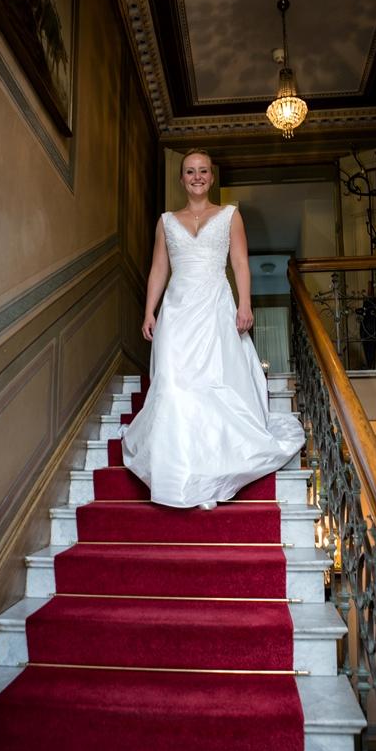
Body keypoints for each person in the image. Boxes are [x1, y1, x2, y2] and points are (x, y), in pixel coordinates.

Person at [121, 149, 304, 509]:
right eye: (190, 171)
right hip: (177, 310)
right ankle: (175, 470)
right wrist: (149, 311)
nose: (197, 177)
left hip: (215, 308)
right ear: (181, 179)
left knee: (211, 384)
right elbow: (159, 268)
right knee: (173, 382)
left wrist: (245, 303)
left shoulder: (230, 216)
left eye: (203, 171)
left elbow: (239, 263)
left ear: (212, 176)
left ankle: (207, 467)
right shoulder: (166, 222)